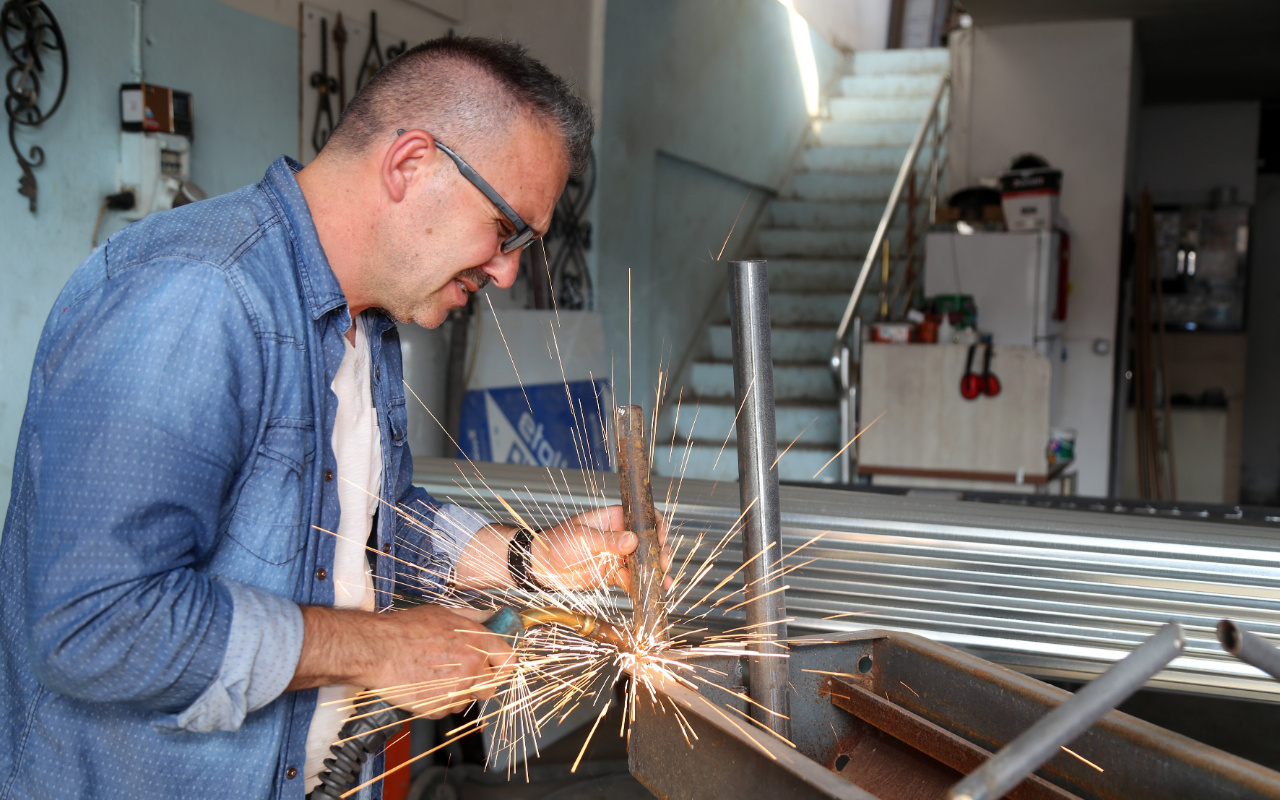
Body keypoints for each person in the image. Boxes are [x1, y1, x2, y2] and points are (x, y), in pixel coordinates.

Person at [0, 36, 663, 800]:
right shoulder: (198, 298)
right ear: (410, 164)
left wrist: (525, 562)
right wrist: (379, 651)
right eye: (507, 228)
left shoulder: (366, 321)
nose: (507, 270)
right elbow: (97, 623)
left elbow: (367, 516)